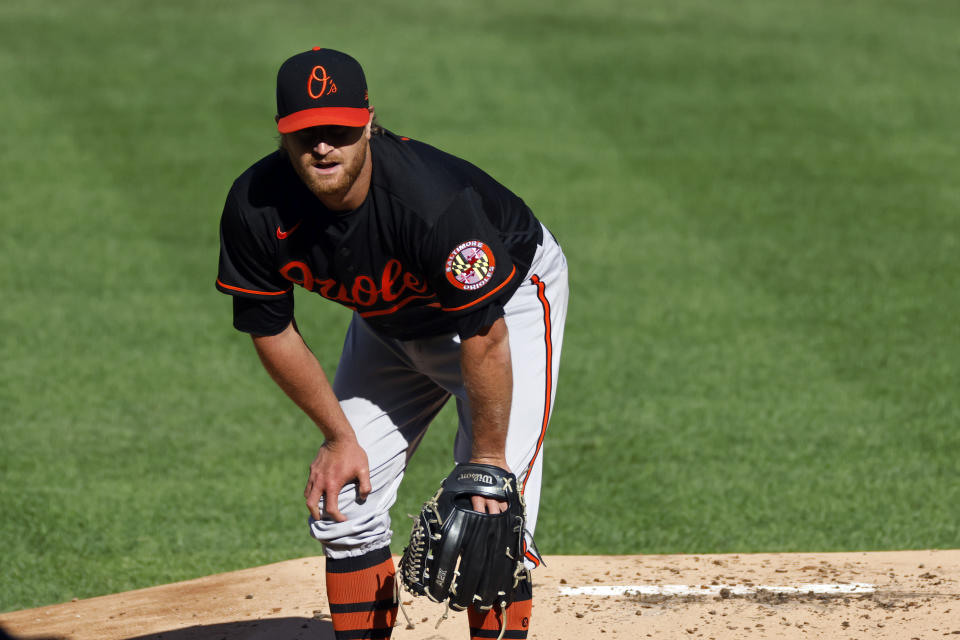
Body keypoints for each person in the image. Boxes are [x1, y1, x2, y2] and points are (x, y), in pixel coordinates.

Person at [215, 47, 568, 640]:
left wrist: (486, 461)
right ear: (282, 137)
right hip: (389, 325)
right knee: (343, 505)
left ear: (368, 124)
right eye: (306, 134)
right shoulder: (256, 206)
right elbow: (270, 327)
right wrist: (338, 436)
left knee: (494, 518)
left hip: (505, 311)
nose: (323, 146)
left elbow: (484, 335)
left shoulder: (432, 205)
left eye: (339, 131)